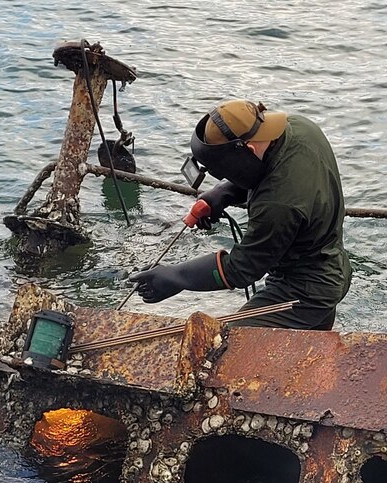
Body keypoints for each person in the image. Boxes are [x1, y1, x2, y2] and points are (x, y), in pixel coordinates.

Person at [128, 99, 352, 330]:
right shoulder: (299, 127)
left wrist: (178, 276)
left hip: (306, 291)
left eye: (225, 171)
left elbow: (242, 269)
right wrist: (225, 192)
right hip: (331, 264)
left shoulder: (277, 203)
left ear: (248, 151)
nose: (223, 176)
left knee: (230, 340)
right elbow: (274, 169)